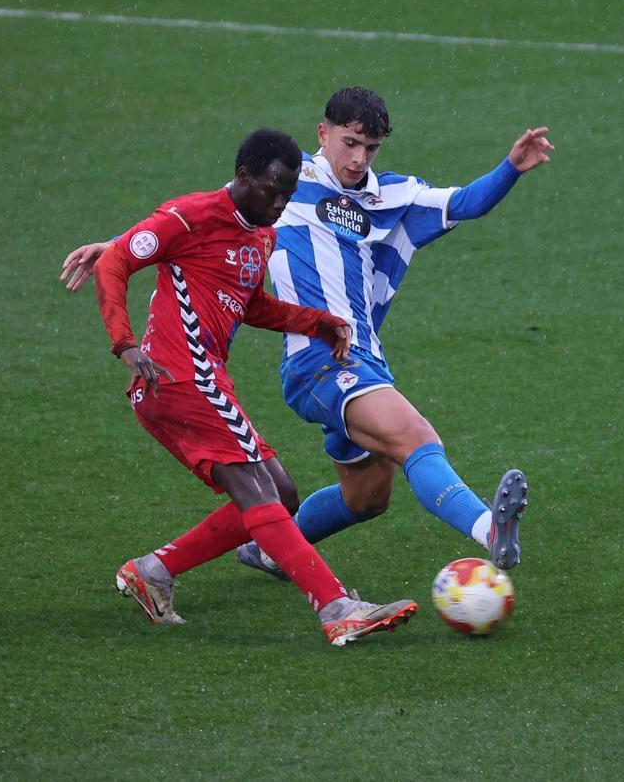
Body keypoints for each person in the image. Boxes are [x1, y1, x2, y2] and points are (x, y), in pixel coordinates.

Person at [62, 87, 552, 580]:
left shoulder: (396, 196)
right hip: (319, 358)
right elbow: (199, 217)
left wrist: (510, 167)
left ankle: (268, 550)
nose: (359, 158)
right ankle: (491, 530)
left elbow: (466, 202)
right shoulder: (288, 180)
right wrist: (119, 245)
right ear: (323, 134)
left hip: (365, 355)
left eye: (371, 148)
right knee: (416, 438)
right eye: (350, 143)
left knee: (367, 498)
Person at [86, 127, 416, 645]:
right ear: (243, 177)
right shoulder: (190, 216)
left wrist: (317, 322)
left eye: (288, 194)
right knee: (259, 490)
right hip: (179, 378)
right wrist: (125, 343)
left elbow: (250, 302)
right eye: (271, 190)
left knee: (281, 493)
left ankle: (153, 571)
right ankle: (336, 608)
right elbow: (116, 260)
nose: (280, 204)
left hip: (198, 382)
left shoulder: (260, 234)